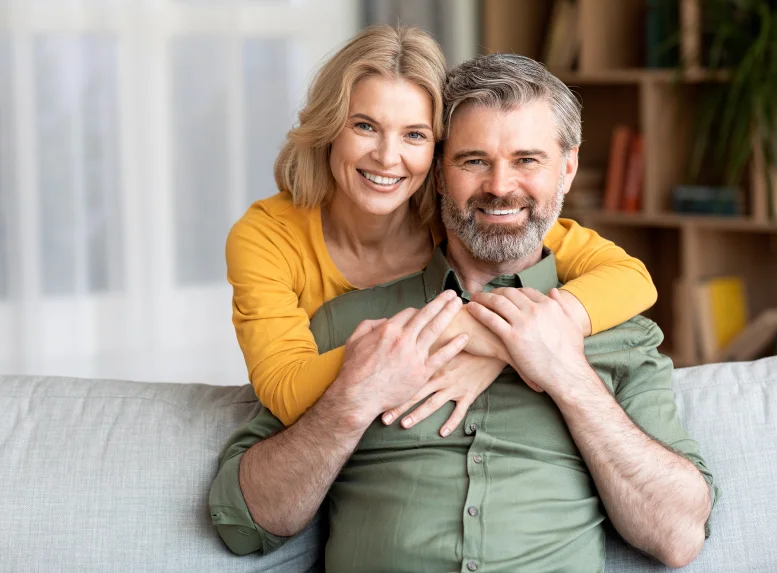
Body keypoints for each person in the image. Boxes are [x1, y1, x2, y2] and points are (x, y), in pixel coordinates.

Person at [210, 53, 718, 572]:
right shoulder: (347, 329)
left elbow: (678, 536)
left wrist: (567, 375)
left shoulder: (616, 329)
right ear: (437, 174)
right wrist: (354, 398)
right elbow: (243, 523)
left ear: (567, 168)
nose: (500, 187)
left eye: (527, 160)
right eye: (474, 160)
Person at [227, 25, 659, 437]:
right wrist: (469, 336)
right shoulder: (267, 237)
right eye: (364, 126)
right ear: (328, 128)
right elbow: (286, 390)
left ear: (436, 155)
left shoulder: (458, 211)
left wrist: (500, 354)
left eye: (414, 135)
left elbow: (630, 279)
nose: (386, 157)